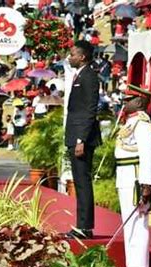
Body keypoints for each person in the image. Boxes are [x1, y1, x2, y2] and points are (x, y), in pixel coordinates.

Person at [114, 85, 151, 267]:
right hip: (125, 173)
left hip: (136, 174)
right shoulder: (130, 122)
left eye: (128, 99)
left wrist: (147, 183)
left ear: (139, 102)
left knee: (138, 222)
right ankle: (132, 265)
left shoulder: (142, 124)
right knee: (129, 222)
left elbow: (148, 155)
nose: (125, 102)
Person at [65, 40, 102, 239]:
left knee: (82, 181)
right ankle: (81, 224)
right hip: (75, 135)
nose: (69, 58)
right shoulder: (80, 75)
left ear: (83, 57)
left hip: (82, 138)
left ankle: (85, 227)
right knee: (79, 182)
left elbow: (89, 109)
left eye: (72, 54)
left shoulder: (89, 77)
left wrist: (81, 139)